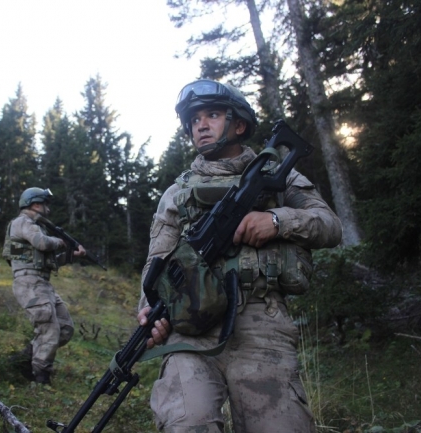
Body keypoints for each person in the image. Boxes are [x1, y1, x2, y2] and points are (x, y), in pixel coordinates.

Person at [137, 79, 343, 432]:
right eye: (194, 119)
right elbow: (155, 262)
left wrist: (277, 221)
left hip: (262, 324)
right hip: (191, 328)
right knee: (188, 423)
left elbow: (329, 225)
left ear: (239, 125)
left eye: (212, 114)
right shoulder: (176, 193)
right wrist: (147, 311)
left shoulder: (278, 174)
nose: (200, 124)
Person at [2, 187, 86, 385]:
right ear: (36, 204)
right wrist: (61, 241)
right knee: (49, 329)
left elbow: (49, 260)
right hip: (29, 282)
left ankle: (24, 361)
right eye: (45, 204)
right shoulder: (23, 222)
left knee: (64, 328)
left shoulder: (35, 227)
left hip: (42, 283)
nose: (48, 209)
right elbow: (42, 243)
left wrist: (72, 255)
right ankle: (40, 378)